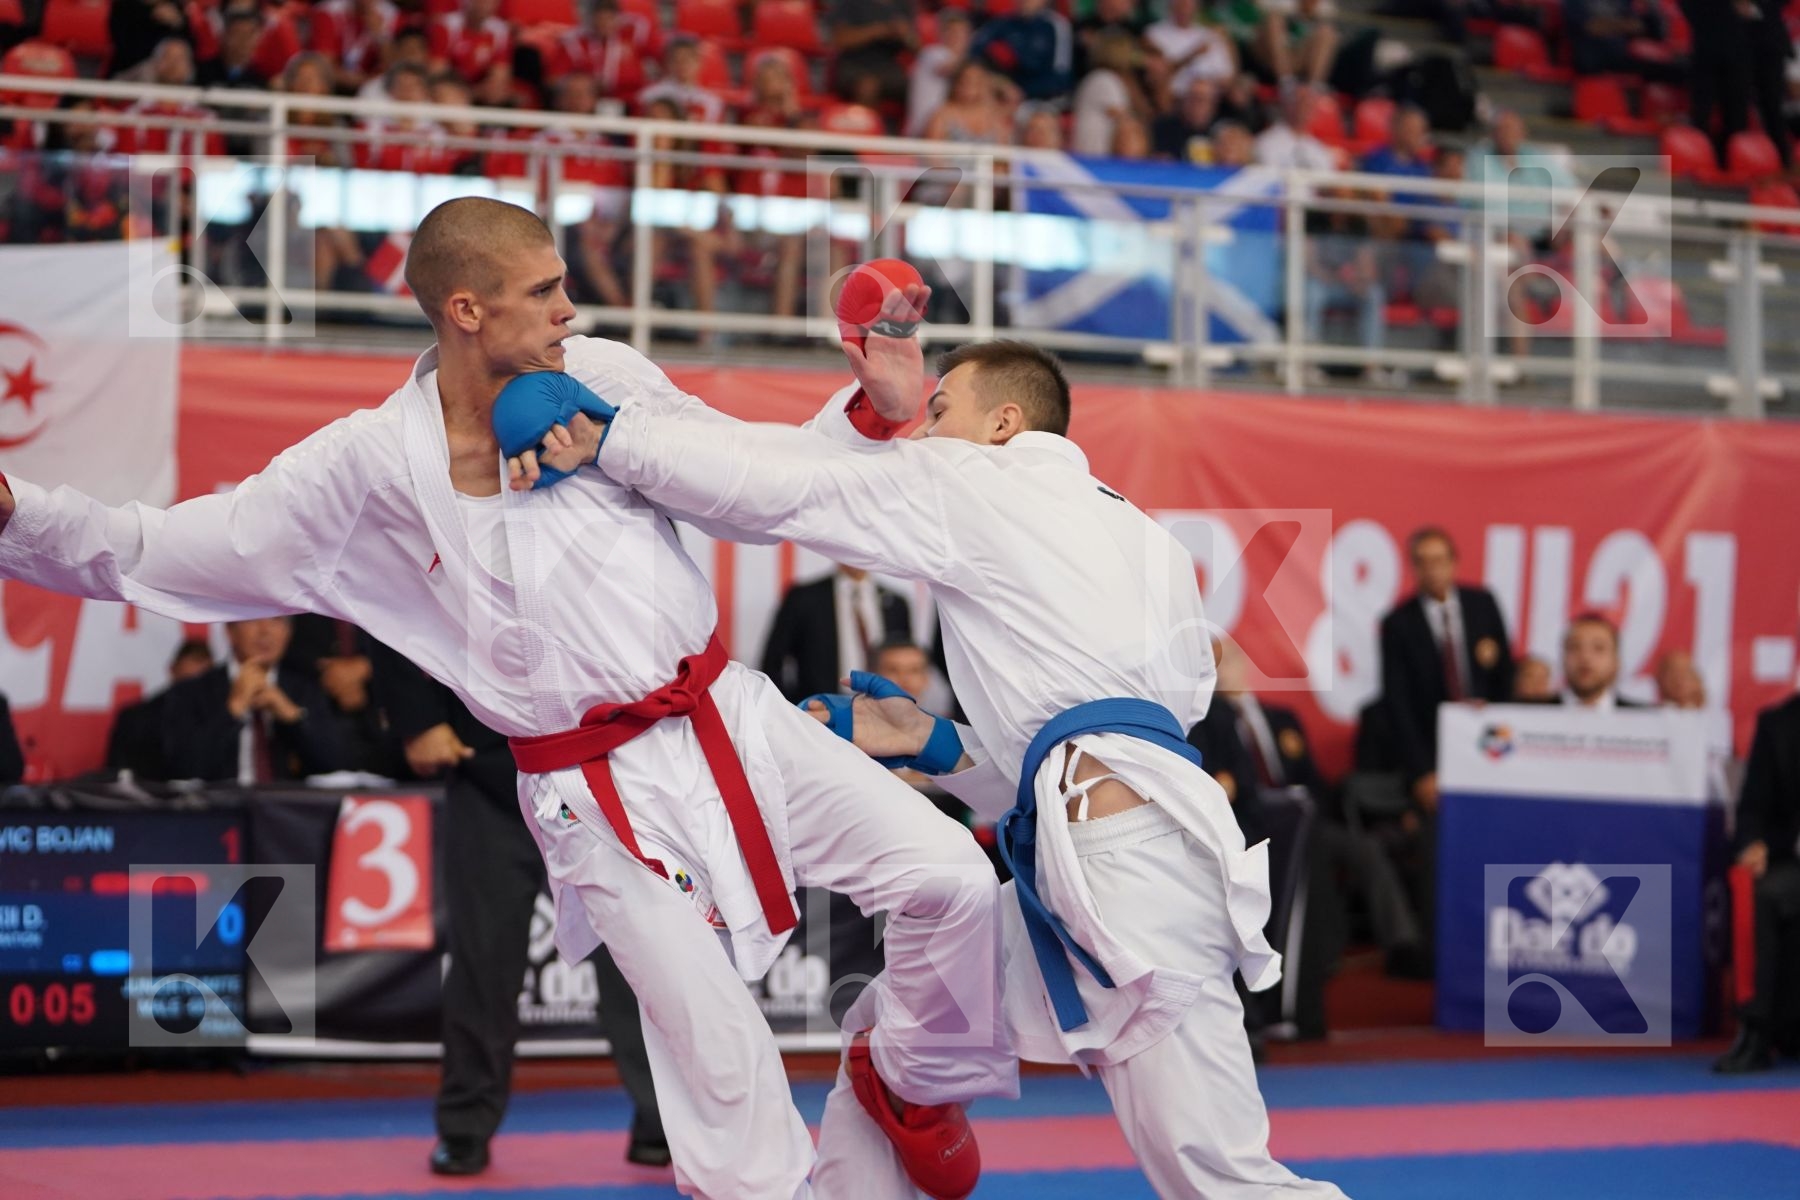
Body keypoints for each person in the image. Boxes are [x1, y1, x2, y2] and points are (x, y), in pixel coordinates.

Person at [0, 197, 1010, 1200]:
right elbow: (162, 548)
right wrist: (22, 512)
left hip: (724, 714)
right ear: (467, 310)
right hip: (588, 790)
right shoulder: (366, 468)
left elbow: (744, 473)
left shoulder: (602, 373)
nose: (571, 307)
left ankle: (909, 1076)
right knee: (720, 1056)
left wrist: (871, 415)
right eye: (544, 290)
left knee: (950, 880)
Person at [568, 325, 1348, 1197]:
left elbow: (781, 490)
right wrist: (929, 743)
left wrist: (612, 439)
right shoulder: (1141, 536)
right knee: (898, 1037)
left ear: (1004, 422)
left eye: (940, 411)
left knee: (1217, 1173)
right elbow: (1092, 738)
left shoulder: (980, 479)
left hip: (1129, 880)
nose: (926, 432)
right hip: (1113, 843)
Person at [366, 638, 668, 1175]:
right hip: (489, 764)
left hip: (605, 762)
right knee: (482, 961)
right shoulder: (440, 546)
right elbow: (395, 599)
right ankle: (464, 1123)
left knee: (639, 956)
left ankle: (663, 1117)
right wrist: (415, 720)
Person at [1378, 526, 1514, 814]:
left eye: (1439, 560)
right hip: (1434, 749)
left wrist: (1497, 719)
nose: (1432, 570)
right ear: (1413, 567)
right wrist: (1422, 771)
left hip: (1489, 740)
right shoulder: (1399, 623)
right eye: (1422, 561)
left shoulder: (1482, 605)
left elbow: (1504, 676)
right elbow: (1398, 702)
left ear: (1454, 562)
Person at [1714, 691, 1800, 1073]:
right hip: (1793, 859)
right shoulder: (1778, 722)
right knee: (1764, 893)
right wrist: (1752, 844)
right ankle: (1756, 1032)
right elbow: (1753, 805)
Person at [159, 617, 352, 784]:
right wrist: (233, 710)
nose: (265, 630)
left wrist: (292, 716)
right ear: (230, 630)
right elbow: (181, 769)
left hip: (287, 815)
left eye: (277, 620)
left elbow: (335, 766)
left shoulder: (304, 690)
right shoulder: (193, 692)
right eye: (253, 619)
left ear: (288, 632)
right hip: (216, 814)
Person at [761, 564, 912, 704]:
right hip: (820, 708)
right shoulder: (804, 597)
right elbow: (773, 660)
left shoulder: (896, 603)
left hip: (882, 707)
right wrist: (791, 707)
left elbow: (907, 658)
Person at [1556, 612, 1639, 710]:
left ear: (1616, 662)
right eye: (1575, 647)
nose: (1585, 657)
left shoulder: (1645, 717)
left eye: (1599, 648)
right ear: (1563, 658)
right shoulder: (1536, 711)